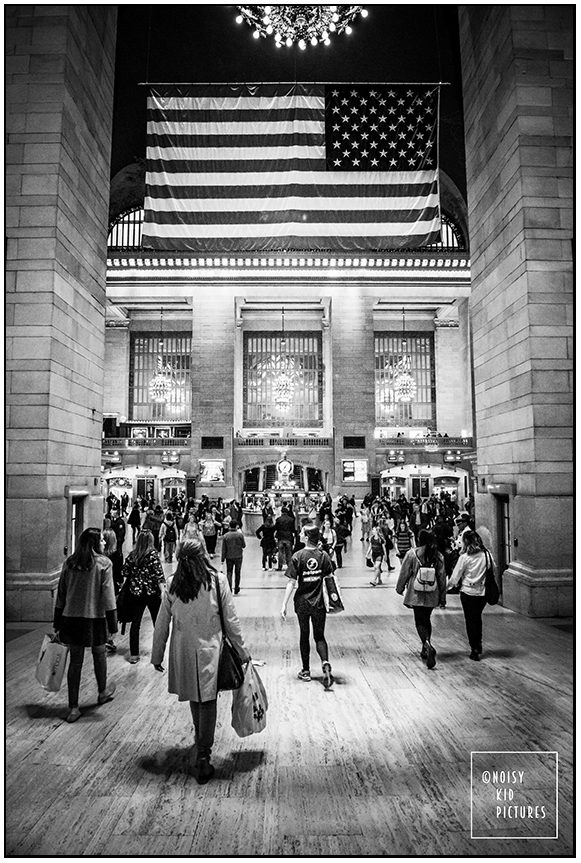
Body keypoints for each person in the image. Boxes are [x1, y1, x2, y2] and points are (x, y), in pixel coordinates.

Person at [151, 540, 251, 784]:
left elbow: (162, 623)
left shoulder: (173, 584)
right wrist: (242, 650)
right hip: (210, 650)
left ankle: (201, 744)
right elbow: (231, 621)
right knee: (207, 699)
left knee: (196, 698)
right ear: (203, 555)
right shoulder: (216, 581)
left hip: (183, 651)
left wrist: (157, 654)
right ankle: (204, 755)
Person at [53, 527, 117, 723]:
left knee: (75, 662)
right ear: (95, 543)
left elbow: (61, 593)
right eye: (102, 541)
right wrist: (112, 624)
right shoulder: (104, 564)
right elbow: (108, 596)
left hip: (70, 618)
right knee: (99, 654)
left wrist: (57, 620)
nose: (104, 543)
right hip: (95, 618)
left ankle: (73, 707)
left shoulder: (70, 563)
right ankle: (102, 691)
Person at [280, 525, 335, 689]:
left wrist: (284, 603)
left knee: (304, 635)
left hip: (302, 603)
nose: (300, 534)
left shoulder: (298, 556)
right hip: (319, 603)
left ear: (306, 537)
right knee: (319, 636)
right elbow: (330, 578)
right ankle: (325, 662)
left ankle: (306, 671)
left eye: (302, 533)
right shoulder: (324, 556)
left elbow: (291, 582)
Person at [395, 530, 447, 669]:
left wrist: (399, 588)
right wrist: (442, 596)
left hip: (416, 592)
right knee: (427, 619)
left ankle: (426, 644)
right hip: (432, 592)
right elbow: (442, 577)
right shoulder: (438, 556)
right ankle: (427, 644)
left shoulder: (412, 554)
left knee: (419, 620)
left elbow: (405, 572)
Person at [447, 530, 495, 661]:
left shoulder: (464, 558)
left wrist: (446, 588)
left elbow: (454, 578)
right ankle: (478, 643)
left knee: (470, 620)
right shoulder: (487, 555)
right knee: (477, 618)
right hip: (482, 593)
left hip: (468, 592)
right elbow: (493, 569)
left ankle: (474, 647)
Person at [120, 529, 165, 663]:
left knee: (135, 624)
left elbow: (124, 571)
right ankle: (159, 652)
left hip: (136, 593)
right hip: (152, 593)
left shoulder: (133, 555)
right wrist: (163, 592)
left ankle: (134, 654)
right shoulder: (153, 555)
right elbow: (159, 576)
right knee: (157, 623)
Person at [220, 520, 246, 595]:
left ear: (229, 526)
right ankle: (237, 587)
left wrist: (222, 559)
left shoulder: (226, 536)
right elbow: (244, 545)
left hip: (229, 556)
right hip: (238, 556)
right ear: (236, 526)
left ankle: (229, 588)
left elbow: (223, 549)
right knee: (237, 572)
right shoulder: (240, 535)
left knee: (229, 572)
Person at [274, 505, 296, 571]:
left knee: (280, 552)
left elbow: (276, 528)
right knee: (289, 552)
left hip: (280, 537)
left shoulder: (278, 519)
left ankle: (280, 566)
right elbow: (293, 529)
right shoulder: (291, 520)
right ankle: (289, 566)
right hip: (288, 537)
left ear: (282, 512)